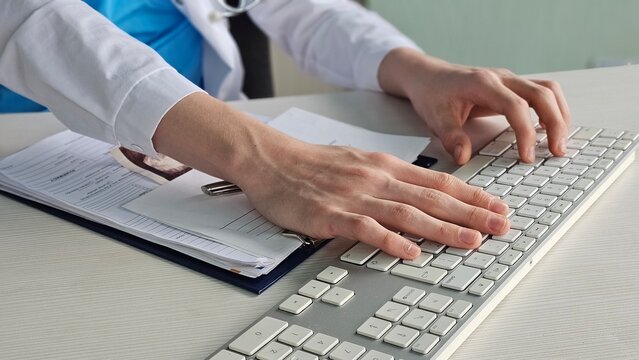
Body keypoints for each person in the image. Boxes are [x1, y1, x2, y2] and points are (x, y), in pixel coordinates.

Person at [0, 0, 570, 259]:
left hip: (189, 137)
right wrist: (263, 157)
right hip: (20, 139)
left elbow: (302, 7)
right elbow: (31, 21)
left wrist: (413, 69)